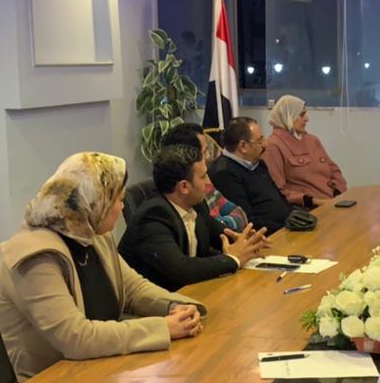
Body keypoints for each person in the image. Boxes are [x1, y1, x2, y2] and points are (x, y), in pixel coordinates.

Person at [0, 152, 205, 380]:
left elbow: (132, 288)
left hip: (100, 370)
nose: (122, 207)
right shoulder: (35, 256)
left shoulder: (91, 233)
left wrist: (177, 307)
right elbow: (76, 338)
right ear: (94, 202)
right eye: (119, 200)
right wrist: (163, 328)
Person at [119, 144, 271, 290]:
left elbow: (218, 233)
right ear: (184, 187)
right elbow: (183, 269)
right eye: (203, 176)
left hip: (194, 293)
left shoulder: (196, 203)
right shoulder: (153, 217)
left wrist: (244, 241)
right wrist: (232, 259)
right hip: (160, 301)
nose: (208, 182)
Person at [208, 117, 295, 234]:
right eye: (260, 141)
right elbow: (247, 220)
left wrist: (295, 216)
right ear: (243, 146)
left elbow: (279, 198)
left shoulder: (258, 163)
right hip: (268, 235)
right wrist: (286, 229)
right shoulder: (224, 173)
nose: (265, 144)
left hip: (286, 227)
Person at [161, 123, 249, 233]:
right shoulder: (185, 192)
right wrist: (219, 226)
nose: (209, 156)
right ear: (189, 156)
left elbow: (240, 214)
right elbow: (207, 228)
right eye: (205, 151)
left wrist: (220, 223)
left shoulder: (205, 180)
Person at [262, 95, 348, 208]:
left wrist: (338, 192)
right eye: (302, 115)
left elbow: (333, 169)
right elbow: (279, 190)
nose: (307, 118)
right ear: (288, 116)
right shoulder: (273, 146)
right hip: (307, 208)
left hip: (333, 201)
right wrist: (314, 201)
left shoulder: (312, 140)